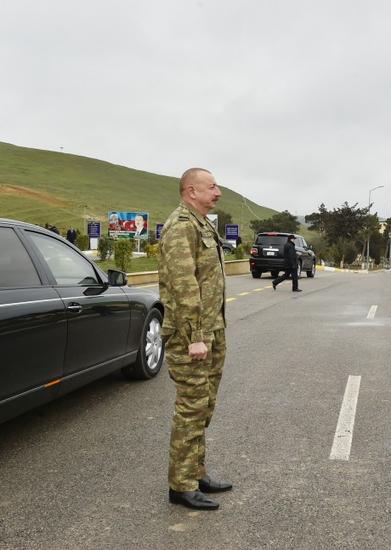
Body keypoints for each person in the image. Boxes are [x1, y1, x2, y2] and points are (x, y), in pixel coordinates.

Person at [159, 167, 231, 510]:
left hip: (211, 332)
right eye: (211, 186)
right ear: (191, 191)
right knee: (191, 408)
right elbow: (184, 285)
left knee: (204, 406)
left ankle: (196, 471)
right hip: (192, 337)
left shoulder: (201, 223)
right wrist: (194, 337)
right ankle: (181, 485)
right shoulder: (181, 227)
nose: (218, 191)